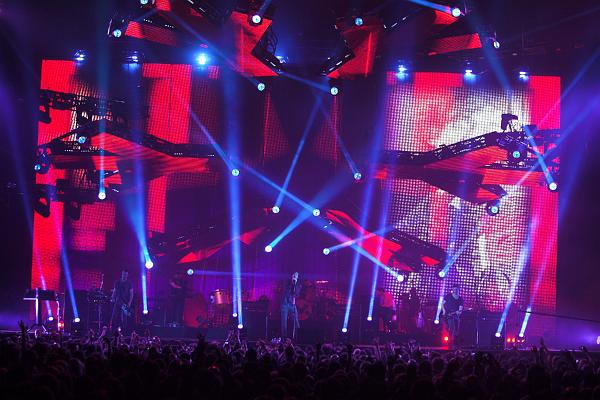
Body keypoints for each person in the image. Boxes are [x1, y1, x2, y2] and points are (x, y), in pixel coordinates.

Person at [110, 269, 133, 333]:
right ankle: (112, 330)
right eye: (123, 274)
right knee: (114, 316)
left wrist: (129, 303)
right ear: (121, 274)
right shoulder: (117, 282)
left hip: (125, 303)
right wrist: (112, 297)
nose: (124, 275)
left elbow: (131, 294)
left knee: (124, 318)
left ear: (127, 275)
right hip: (117, 302)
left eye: (125, 274)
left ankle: (123, 332)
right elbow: (114, 291)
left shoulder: (129, 283)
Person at [281, 272, 301, 340]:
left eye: (296, 276)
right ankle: (284, 339)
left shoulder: (298, 285)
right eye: (294, 275)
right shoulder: (286, 282)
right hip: (285, 304)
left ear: (297, 277)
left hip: (292, 305)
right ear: (292, 276)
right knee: (284, 322)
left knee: (295, 321)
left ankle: (295, 339)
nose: (295, 276)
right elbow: (286, 292)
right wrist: (292, 283)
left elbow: (297, 294)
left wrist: (295, 284)